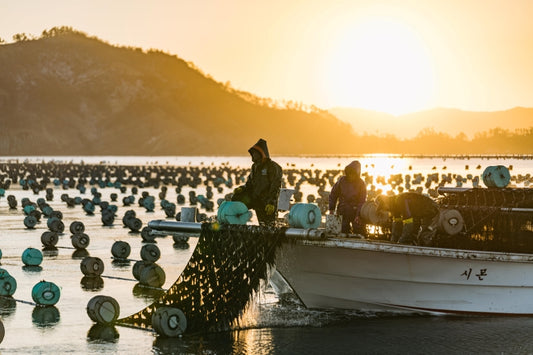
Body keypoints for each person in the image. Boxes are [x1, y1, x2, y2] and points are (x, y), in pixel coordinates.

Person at [232, 138, 283, 225]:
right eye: (253, 153)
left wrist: (271, 202)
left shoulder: (273, 167)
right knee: (262, 224)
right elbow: (249, 184)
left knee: (270, 225)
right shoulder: (255, 167)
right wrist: (241, 189)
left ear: (261, 153)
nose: (254, 155)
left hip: (268, 202)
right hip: (257, 201)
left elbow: (275, 186)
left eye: (255, 153)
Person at [328, 160, 367, 235]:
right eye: (349, 173)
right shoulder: (342, 181)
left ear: (357, 173)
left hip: (355, 211)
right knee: (342, 230)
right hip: (342, 210)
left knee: (359, 230)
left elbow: (362, 201)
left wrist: (358, 215)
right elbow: (333, 194)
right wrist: (331, 209)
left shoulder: (361, 184)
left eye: (353, 173)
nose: (351, 175)